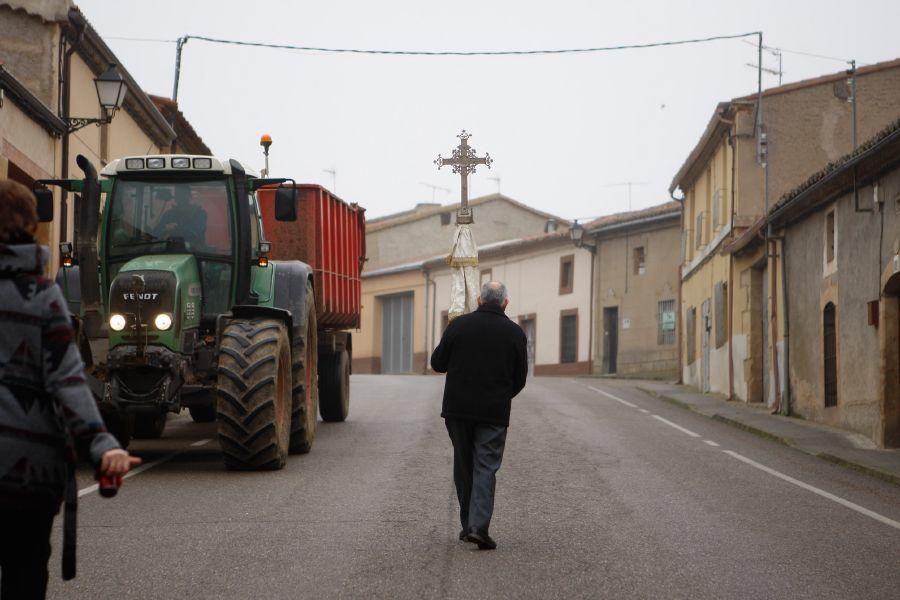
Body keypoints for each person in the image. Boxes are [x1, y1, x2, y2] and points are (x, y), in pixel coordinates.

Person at [0, 180, 141, 599]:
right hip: (29, 473)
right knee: (24, 575)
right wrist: (102, 446)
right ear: (33, 227)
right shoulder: (44, 298)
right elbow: (67, 379)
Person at [430, 281, 528, 550]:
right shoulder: (515, 333)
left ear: (478, 299)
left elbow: (437, 363)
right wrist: (500, 397)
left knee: (464, 465)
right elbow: (519, 379)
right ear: (505, 303)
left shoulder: (458, 326)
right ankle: (478, 527)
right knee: (486, 467)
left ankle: (468, 525)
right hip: (493, 413)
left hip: (457, 411)